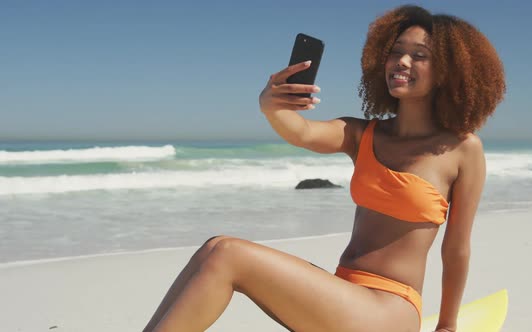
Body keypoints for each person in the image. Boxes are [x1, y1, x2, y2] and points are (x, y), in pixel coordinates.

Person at [142, 5, 505, 332]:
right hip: (344, 293)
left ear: (446, 72)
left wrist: (447, 326)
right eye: (396, 52)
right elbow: (301, 132)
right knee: (214, 246)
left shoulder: (462, 149)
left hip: (390, 310)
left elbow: (456, 250)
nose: (402, 62)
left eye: (419, 56)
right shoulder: (361, 133)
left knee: (227, 254)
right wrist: (272, 106)